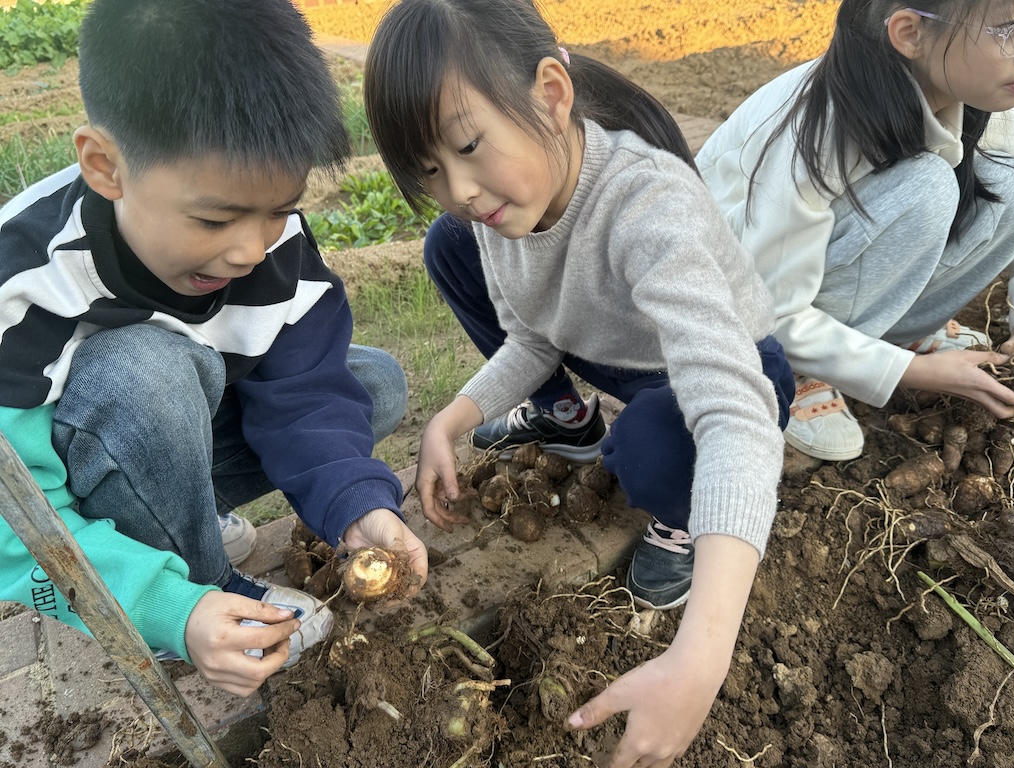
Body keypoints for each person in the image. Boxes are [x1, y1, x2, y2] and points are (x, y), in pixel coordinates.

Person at [363, 1, 795, 764]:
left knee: (649, 451)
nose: (460, 189)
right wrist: (449, 422)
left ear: (552, 95)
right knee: (447, 245)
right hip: (615, 357)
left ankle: (684, 522)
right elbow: (532, 333)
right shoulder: (499, 215)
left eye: (468, 146)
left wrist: (703, 654)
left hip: (732, 366)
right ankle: (565, 416)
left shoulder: (646, 205)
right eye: (430, 171)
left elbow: (732, 406)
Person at [0, 0, 428, 698]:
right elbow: (14, 523)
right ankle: (203, 586)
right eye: (215, 218)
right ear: (106, 166)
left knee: (372, 384)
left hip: (166, 434)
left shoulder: (270, 245)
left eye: (280, 209)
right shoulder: (22, 287)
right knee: (143, 373)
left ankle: (179, 515)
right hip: (74, 468)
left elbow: (306, 392)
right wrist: (169, 608)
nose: (249, 247)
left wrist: (356, 505)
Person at [696, 0, 1014, 462]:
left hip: (805, 274)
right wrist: (912, 373)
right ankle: (791, 371)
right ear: (910, 34)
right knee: (927, 188)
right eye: (1013, 30)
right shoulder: (818, 128)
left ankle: (895, 329)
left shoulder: (976, 94)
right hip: (737, 291)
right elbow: (766, 306)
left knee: (1012, 178)